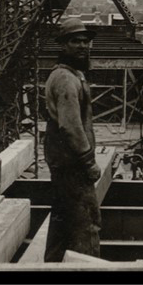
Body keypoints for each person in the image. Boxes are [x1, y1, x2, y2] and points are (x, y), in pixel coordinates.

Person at [44, 16, 101, 262]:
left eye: (85, 41)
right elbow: (71, 126)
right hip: (73, 166)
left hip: (63, 164)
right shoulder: (66, 78)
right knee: (85, 224)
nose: (82, 46)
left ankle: (52, 267)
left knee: (61, 224)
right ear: (63, 46)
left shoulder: (69, 74)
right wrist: (89, 161)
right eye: (75, 41)